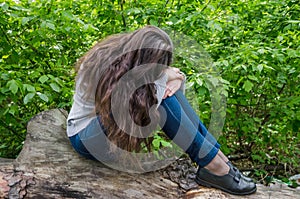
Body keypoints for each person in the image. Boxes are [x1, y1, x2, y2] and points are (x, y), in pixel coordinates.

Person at [67, 25, 257, 195]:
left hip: (115, 135)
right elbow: (119, 112)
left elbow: (163, 93)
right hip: (86, 136)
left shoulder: (135, 66)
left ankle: (216, 156)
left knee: (161, 95)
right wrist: (165, 78)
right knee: (156, 97)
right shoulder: (99, 61)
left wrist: (175, 77)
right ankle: (212, 164)